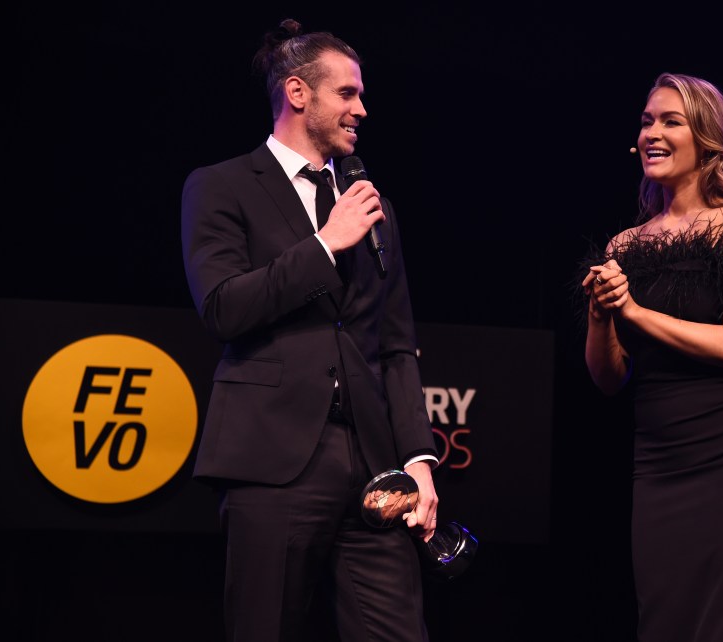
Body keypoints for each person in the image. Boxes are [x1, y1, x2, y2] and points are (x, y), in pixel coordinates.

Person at [180, 18, 439, 642]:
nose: (362, 109)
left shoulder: (368, 201)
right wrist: (325, 245)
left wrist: (419, 458)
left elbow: (395, 343)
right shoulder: (221, 186)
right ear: (298, 94)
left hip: (376, 468)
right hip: (274, 459)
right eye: (347, 94)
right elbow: (223, 307)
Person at [581, 72, 723, 642]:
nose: (651, 133)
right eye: (645, 121)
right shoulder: (625, 247)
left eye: (670, 121)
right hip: (659, 466)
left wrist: (633, 313)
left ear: (708, 139)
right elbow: (609, 378)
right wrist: (601, 311)